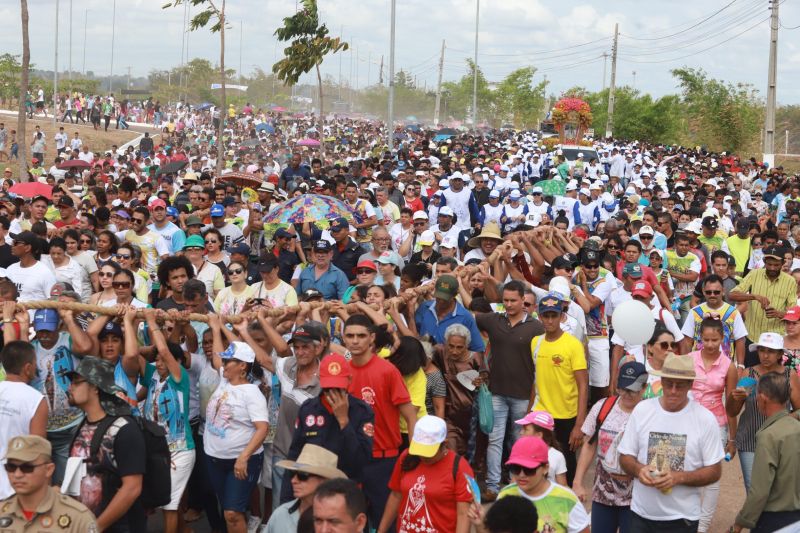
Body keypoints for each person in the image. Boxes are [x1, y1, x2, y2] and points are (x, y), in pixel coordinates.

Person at [618, 353, 725, 532]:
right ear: (662, 381)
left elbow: (715, 471)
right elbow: (625, 456)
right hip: (641, 514)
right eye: (669, 384)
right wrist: (639, 470)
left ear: (691, 385)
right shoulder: (642, 411)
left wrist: (679, 477)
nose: (673, 391)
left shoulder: (705, 419)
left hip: (682, 518)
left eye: (680, 386)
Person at [343, 314, 417, 530]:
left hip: (384, 461)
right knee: (351, 521)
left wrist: (413, 455)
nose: (355, 340)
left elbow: (410, 416)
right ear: (343, 338)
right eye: (350, 336)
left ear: (371, 338)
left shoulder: (387, 371)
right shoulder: (343, 372)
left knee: (388, 522)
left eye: (361, 336)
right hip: (352, 460)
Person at [474, 280, 544, 499]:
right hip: (497, 393)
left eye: (513, 300)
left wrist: (534, 399)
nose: (509, 305)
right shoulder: (494, 320)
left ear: (524, 300)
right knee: (494, 440)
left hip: (523, 396)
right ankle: (493, 486)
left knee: (519, 441)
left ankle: (518, 484)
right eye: (505, 300)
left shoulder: (537, 327)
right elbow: (469, 313)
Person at [66, 357, 147, 532]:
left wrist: (96, 527)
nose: (69, 387)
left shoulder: (125, 429)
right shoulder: (82, 426)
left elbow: (132, 488)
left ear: (95, 387)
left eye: (76, 382)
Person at [205, 321, 269, 533]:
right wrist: (215, 328)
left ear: (242, 365)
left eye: (229, 360)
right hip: (215, 459)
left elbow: (262, 428)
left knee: (232, 513)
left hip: (240, 461)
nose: (223, 363)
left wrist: (244, 457)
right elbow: (216, 356)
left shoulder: (252, 393)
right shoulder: (224, 382)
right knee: (230, 511)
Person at [573, 361, 648, 533]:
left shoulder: (649, 413)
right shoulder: (602, 407)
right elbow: (589, 445)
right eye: (623, 389)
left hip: (636, 498)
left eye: (633, 389)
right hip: (602, 495)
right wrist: (577, 482)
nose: (627, 394)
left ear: (644, 387)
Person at [726, 332, 800, 491]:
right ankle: (756, 517)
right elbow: (733, 411)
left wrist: (783, 419)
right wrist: (734, 397)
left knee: (779, 489)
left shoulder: (789, 375)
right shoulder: (749, 374)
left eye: (771, 351)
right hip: (750, 440)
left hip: (781, 442)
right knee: (753, 489)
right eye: (762, 350)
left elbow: (799, 410)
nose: (765, 355)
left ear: (780, 353)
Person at [470, 436, 590, 533]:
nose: (521, 475)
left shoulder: (566, 499)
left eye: (529, 469)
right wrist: (480, 525)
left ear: (545, 468)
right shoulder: (506, 494)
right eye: (516, 468)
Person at [530, 292, 588, 486]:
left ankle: (568, 507)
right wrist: (529, 412)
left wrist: (580, 424)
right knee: (538, 462)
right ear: (539, 316)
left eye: (554, 315)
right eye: (545, 315)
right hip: (540, 414)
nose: (549, 320)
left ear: (561, 316)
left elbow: (582, 384)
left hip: (566, 416)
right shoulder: (535, 342)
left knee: (566, 466)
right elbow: (535, 380)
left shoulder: (573, 345)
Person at [378, 415, 474, 533]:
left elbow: (463, 514)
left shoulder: (460, 467)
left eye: (429, 452)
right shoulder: (407, 457)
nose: (423, 456)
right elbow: (396, 495)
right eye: (420, 449)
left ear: (444, 444)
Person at [687, 319, 739, 533]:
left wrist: (732, 439)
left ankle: (702, 526)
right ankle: (687, 519)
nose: (709, 344)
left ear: (722, 339)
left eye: (714, 340)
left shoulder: (729, 366)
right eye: (705, 339)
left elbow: (732, 405)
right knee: (687, 470)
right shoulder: (688, 359)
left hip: (716, 424)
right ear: (699, 338)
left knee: (712, 476)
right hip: (688, 422)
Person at [731, 372, 800, 532]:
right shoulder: (796, 427)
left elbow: (759, 493)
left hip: (774, 520)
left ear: (762, 399)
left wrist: (739, 524)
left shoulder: (768, 436)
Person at [0, 435, 97, 532]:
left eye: (27, 467)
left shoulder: (77, 518)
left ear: (48, 470)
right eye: (11, 467)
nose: (17, 475)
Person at [730, 246, 797, 366]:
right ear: (764, 262)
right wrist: (754, 296)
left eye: (776, 265)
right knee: (750, 376)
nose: (772, 268)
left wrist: (779, 314)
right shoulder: (754, 274)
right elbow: (731, 295)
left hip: (776, 340)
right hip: (752, 338)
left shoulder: (790, 281)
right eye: (769, 264)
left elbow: (793, 313)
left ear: (783, 263)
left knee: (773, 379)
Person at [0, 341, 48, 499]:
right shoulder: (35, 400)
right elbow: (38, 450)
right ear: (27, 368)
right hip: (16, 487)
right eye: (35, 364)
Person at [268, 444, 347, 533]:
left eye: (302, 476)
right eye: (292, 473)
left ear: (324, 480)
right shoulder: (280, 514)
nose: (294, 480)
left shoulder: (344, 521)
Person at [514, 410, 568, 486]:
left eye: (525, 430)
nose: (521, 432)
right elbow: (513, 483)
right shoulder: (519, 452)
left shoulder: (557, 456)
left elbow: (563, 487)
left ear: (539, 435)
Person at [6, 231, 56, 303]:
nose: (12, 245)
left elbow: (53, 301)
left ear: (27, 248)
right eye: (13, 242)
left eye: (16, 243)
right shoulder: (10, 269)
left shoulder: (45, 272)